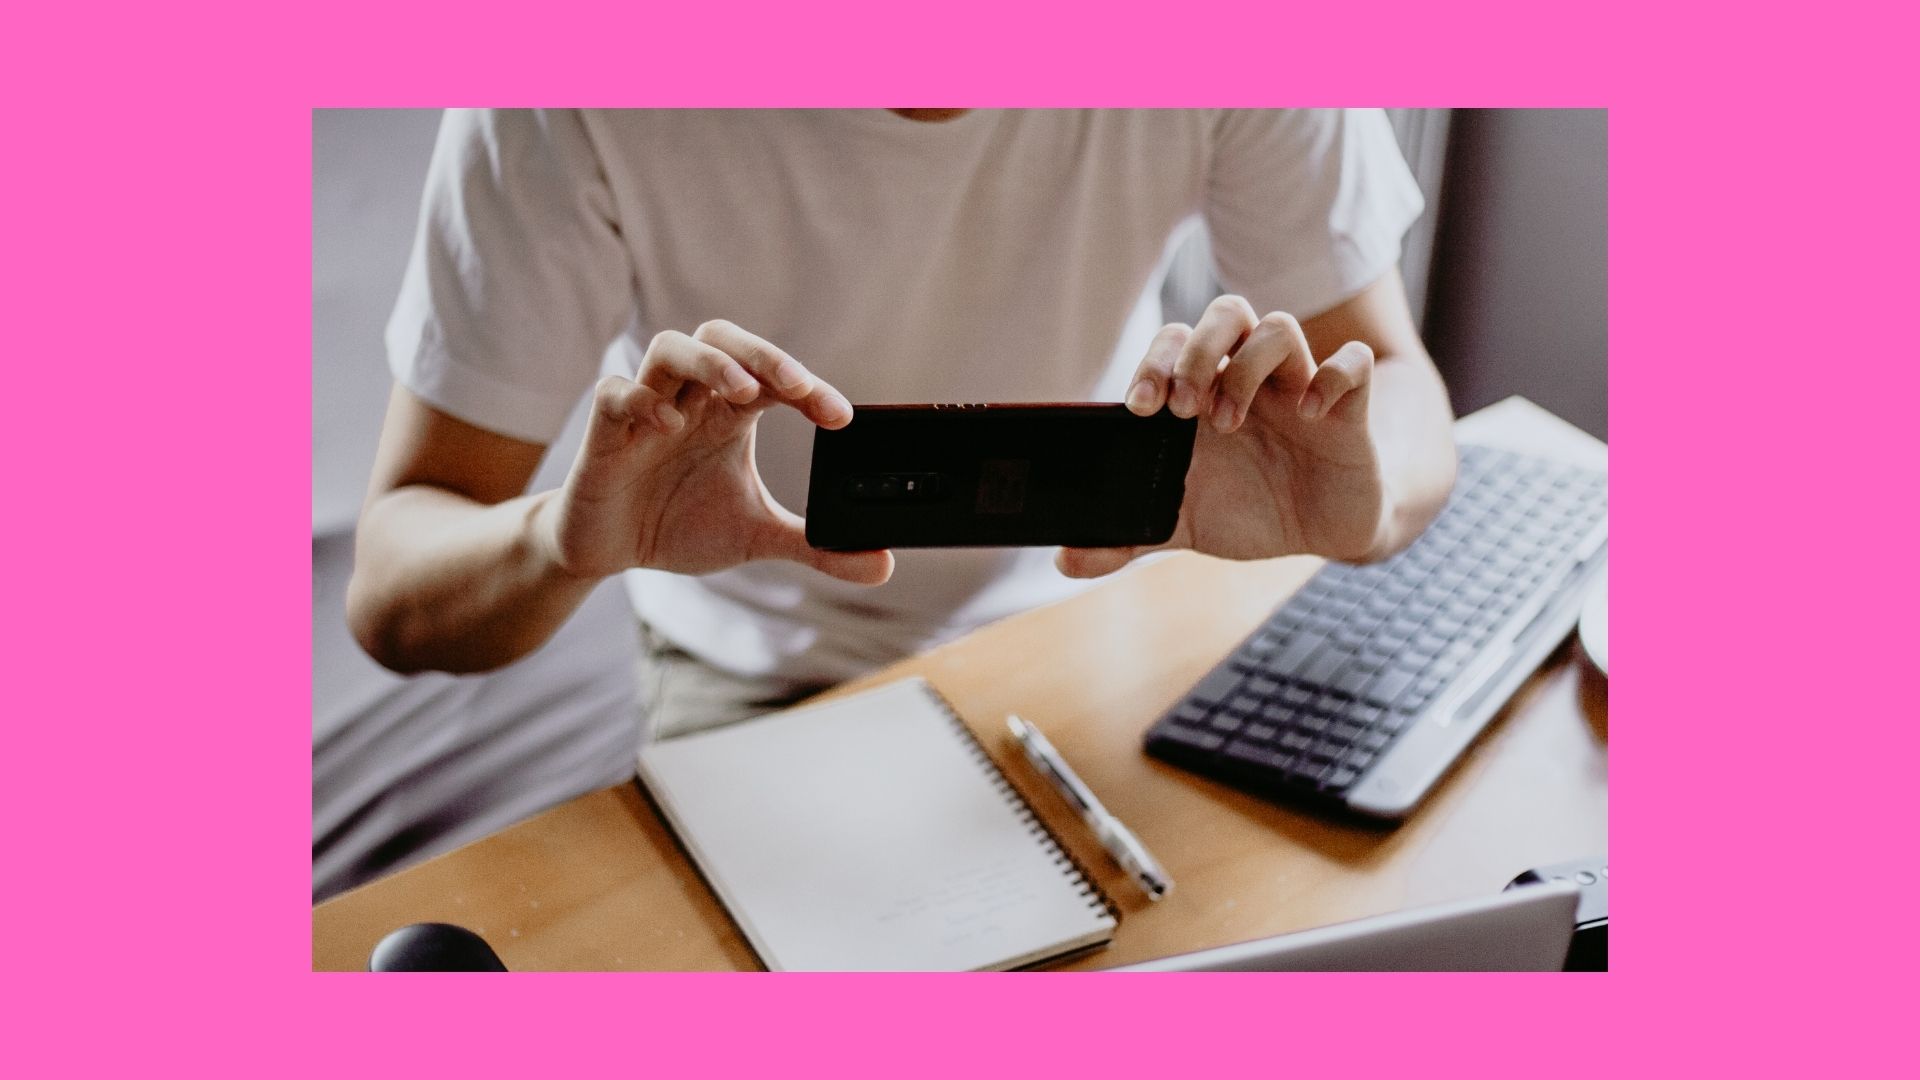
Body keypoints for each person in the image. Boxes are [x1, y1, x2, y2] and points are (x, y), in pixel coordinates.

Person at [347, 108, 1457, 739]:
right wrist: (561, 543)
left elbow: (1396, 379)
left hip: (1112, 607)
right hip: (760, 670)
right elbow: (395, 584)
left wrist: (1360, 508)